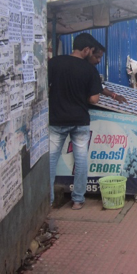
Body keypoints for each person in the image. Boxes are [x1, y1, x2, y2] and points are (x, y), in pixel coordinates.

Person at [48, 33, 104, 210]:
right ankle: (78, 200)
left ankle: (47, 200)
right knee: (80, 160)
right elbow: (94, 99)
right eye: (92, 52)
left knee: (50, 160)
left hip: (56, 120)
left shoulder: (54, 63)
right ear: (86, 50)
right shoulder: (89, 70)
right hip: (80, 121)